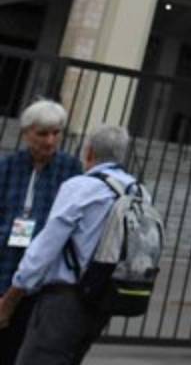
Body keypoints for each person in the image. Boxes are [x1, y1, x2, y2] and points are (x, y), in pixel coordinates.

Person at [0, 125, 135, 364]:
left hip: (65, 299)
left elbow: (46, 247)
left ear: (89, 152)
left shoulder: (81, 187)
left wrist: (13, 294)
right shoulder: (136, 191)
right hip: (103, 298)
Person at [0, 99, 82, 363]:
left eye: (56, 133)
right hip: (6, 261)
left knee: (25, 343)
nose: (49, 141)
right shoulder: (8, 166)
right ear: (26, 134)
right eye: (42, 133)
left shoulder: (69, 169)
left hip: (43, 272)